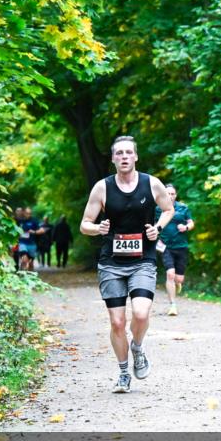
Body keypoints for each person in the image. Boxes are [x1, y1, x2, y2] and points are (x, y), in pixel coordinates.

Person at [80, 135, 174, 393]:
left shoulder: (151, 183)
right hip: (111, 263)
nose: (123, 157)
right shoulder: (102, 188)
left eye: (128, 152)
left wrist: (158, 228)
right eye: (118, 153)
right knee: (118, 323)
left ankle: (138, 347)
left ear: (135, 157)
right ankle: (123, 372)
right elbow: (84, 224)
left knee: (142, 314)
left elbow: (168, 210)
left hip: (143, 260)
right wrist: (97, 228)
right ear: (112, 159)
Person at [154, 183, 194, 316]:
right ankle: (173, 305)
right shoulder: (158, 209)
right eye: (167, 193)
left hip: (181, 247)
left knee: (179, 279)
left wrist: (186, 227)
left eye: (172, 194)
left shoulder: (183, 208)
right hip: (165, 246)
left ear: (176, 195)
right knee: (170, 274)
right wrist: (156, 235)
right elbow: (154, 225)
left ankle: (178, 284)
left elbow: (191, 222)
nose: (170, 196)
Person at [17, 207, 45, 272]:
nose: (28, 215)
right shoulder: (20, 221)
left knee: (30, 263)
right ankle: (23, 273)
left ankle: (31, 276)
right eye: (27, 213)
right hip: (22, 243)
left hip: (32, 244)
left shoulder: (34, 221)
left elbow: (42, 230)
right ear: (24, 213)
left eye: (30, 213)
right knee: (24, 259)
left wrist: (34, 232)